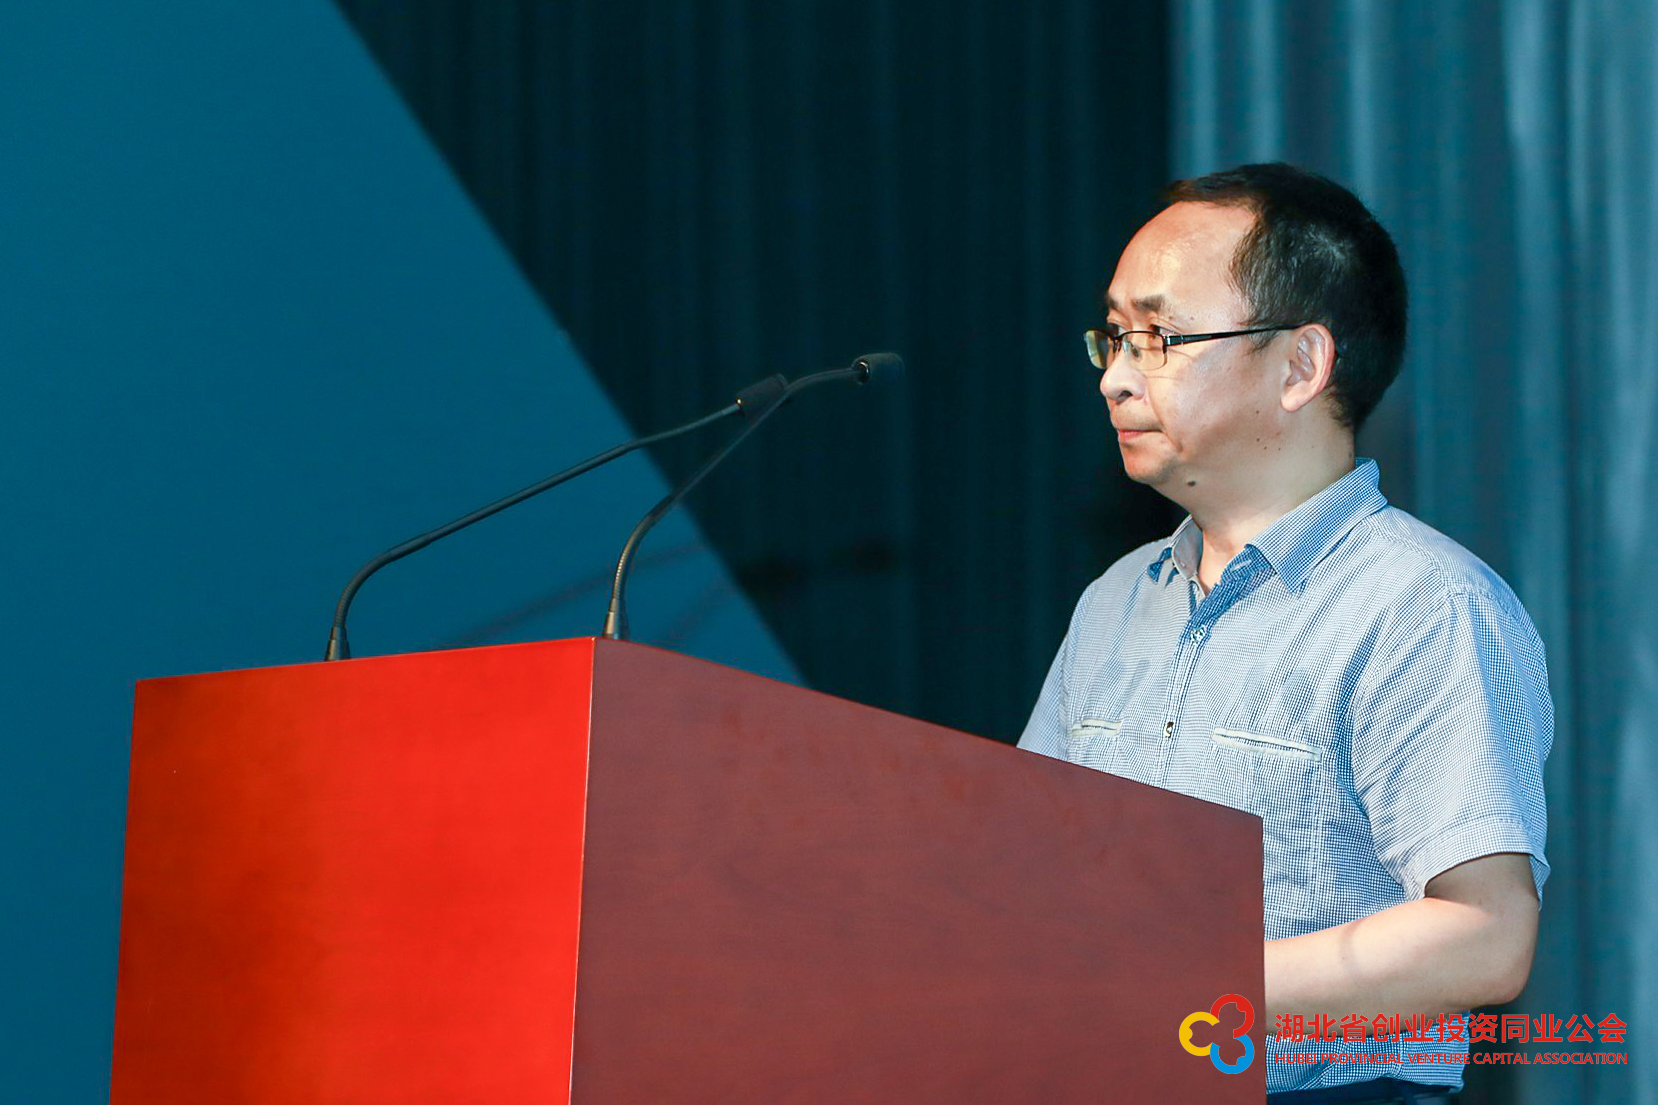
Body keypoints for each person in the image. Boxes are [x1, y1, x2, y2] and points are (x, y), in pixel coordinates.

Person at [1017, 163, 1551, 1104]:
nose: (1115, 376)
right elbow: (1019, 863)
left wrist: (1187, 984)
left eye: (1159, 337)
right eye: (1115, 336)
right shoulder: (1115, 601)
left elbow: (1485, 935)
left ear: (1301, 365)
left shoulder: (1423, 605)